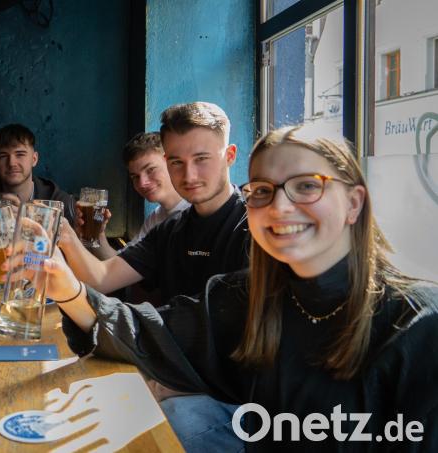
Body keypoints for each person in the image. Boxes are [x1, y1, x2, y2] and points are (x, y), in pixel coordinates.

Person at [45, 126, 438, 451]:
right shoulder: (248, 296)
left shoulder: (419, 325)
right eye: (263, 191)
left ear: (354, 203)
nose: (280, 207)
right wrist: (65, 288)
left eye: (305, 186)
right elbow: (146, 332)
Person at [58, 102, 249, 299]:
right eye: (177, 162)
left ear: (230, 156)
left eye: (201, 159)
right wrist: (65, 235)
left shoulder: (254, 227)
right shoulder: (168, 229)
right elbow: (101, 278)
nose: (189, 176)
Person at [77, 131, 190, 260]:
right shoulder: (155, 218)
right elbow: (121, 265)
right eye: (135, 177)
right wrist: (98, 235)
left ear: (172, 163)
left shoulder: (196, 211)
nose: (142, 183)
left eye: (150, 170)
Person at [0, 123, 76, 224]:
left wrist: (26, 218)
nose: (11, 163)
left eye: (20, 154)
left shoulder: (60, 202)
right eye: (3, 156)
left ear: (34, 159)